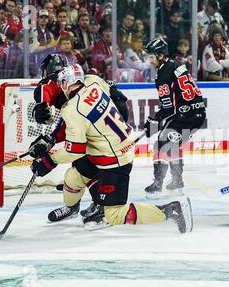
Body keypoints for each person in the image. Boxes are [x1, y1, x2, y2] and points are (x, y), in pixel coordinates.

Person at [29, 64, 193, 233]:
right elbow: (86, 118)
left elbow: (75, 150)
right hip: (107, 147)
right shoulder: (94, 81)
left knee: (115, 214)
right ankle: (72, 209)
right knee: (73, 177)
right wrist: (51, 141)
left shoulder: (72, 111)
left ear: (66, 84)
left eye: (62, 83)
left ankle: (171, 210)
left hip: (114, 159)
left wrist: (49, 160)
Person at [31, 54, 129, 221]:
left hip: (106, 137)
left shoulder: (64, 93)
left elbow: (44, 88)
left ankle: (98, 204)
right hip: (114, 122)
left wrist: (49, 158)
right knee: (84, 165)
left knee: (83, 164)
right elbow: (69, 125)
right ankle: (94, 203)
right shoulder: (89, 79)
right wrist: (50, 140)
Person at [143, 38, 206, 198]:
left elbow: (168, 108)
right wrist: (157, 120)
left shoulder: (163, 73)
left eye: (151, 56)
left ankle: (157, 185)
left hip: (185, 116)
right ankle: (177, 181)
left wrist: (154, 121)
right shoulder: (176, 65)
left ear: (161, 55)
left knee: (161, 145)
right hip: (197, 114)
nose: (149, 60)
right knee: (172, 142)